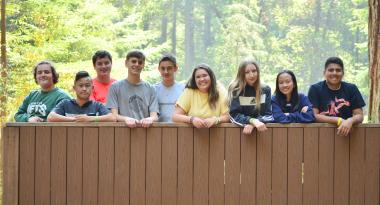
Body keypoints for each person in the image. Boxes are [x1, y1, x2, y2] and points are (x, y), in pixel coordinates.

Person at [308, 57, 365, 136]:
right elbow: (313, 115)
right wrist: (338, 120)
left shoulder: (351, 88)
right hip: (320, 135)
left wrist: (350, 121)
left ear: (343, 73)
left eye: (338, 70)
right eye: (331, 70)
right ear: (324, 73)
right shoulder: (315, 89)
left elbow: (359, 115)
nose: (334, 73)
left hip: (348, 135)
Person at [106, 50, 159, 128]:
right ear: (126, 63)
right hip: (121, 131)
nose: (137, 64)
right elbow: (114, 115)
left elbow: (155, 116)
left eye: (140, 62)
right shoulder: (115, 87)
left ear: (143, 65)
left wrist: (149, 119)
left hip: (145, 131)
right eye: (133, 61)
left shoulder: (151, 88)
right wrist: (126, 119)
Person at [172, 64, 229, 128]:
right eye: (198, 77)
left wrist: (216, 120)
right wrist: (192, 119)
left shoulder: (220, 90)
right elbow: (175, 116)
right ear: (194, 80)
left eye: (204, 75)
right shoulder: (189, 91)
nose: (202, 79)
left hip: (216, 133)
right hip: (192, 134)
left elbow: (228, 116)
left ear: (211, 77)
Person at [47, 71, 115, 122]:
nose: (84, 89)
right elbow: (50, 117)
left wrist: (90, 119)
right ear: (74, 88)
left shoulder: (97, 105)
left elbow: (112, 118)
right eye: (81, 85)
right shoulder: (65, 104)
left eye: (87, 85)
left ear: (92, 88)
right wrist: (75, 120)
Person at [228, 60, 273, 134]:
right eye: (247, 72)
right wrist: (252, 121)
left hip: (262, 131)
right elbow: (234, 115)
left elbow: (268, 115)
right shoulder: (235, 90)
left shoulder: (266, 89)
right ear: (241, 74)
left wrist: (254, 123)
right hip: (239, 133)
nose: (252, 75)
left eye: (254, 71)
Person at [154, 54, 184, 122]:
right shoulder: (153, 89)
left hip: (179, 129)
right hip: (158, 130)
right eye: (163, 68)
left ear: (175, 68)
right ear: (159, 69)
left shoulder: (183, 89)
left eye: (169, 68)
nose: (166, 72)